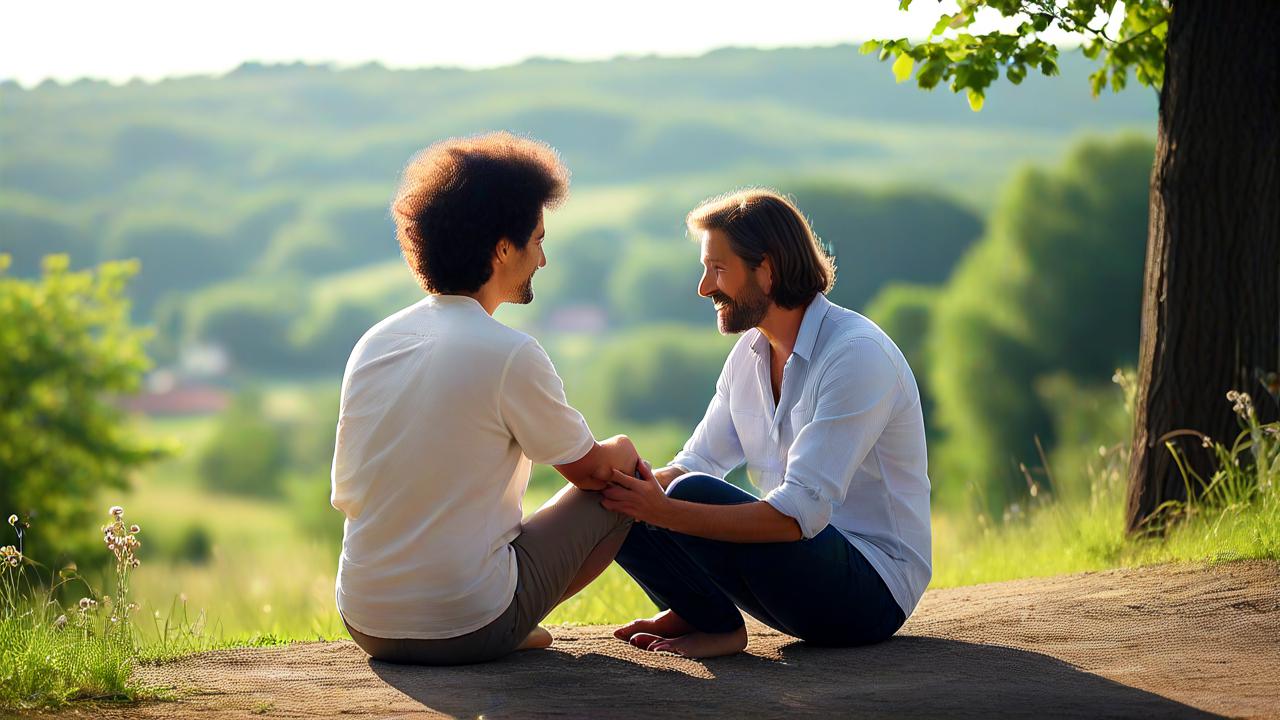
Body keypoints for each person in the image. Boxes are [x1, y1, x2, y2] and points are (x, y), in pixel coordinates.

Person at [331, 132, 640, 665]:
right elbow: (592, 475)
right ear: (503, 248)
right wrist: (624, 447)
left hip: (365, 619)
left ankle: (504, 621)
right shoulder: (509, 353)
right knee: (626, 479)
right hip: (463, 624)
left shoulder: (374, 341)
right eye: (538, 240)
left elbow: (348, 490)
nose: (543, 258)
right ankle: (507, 625)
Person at [601, 188, 932, 658]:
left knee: (686, 495)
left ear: (768, 269)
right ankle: (709, 621)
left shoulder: (856, 355)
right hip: (796, 581)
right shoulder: (749, 356)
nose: (704, 287)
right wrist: (617, 490)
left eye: (717, 269)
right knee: (629, 494)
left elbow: (798, 515)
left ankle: (708, 616)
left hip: (870, 594)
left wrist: (663, 511)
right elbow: (700, 458)